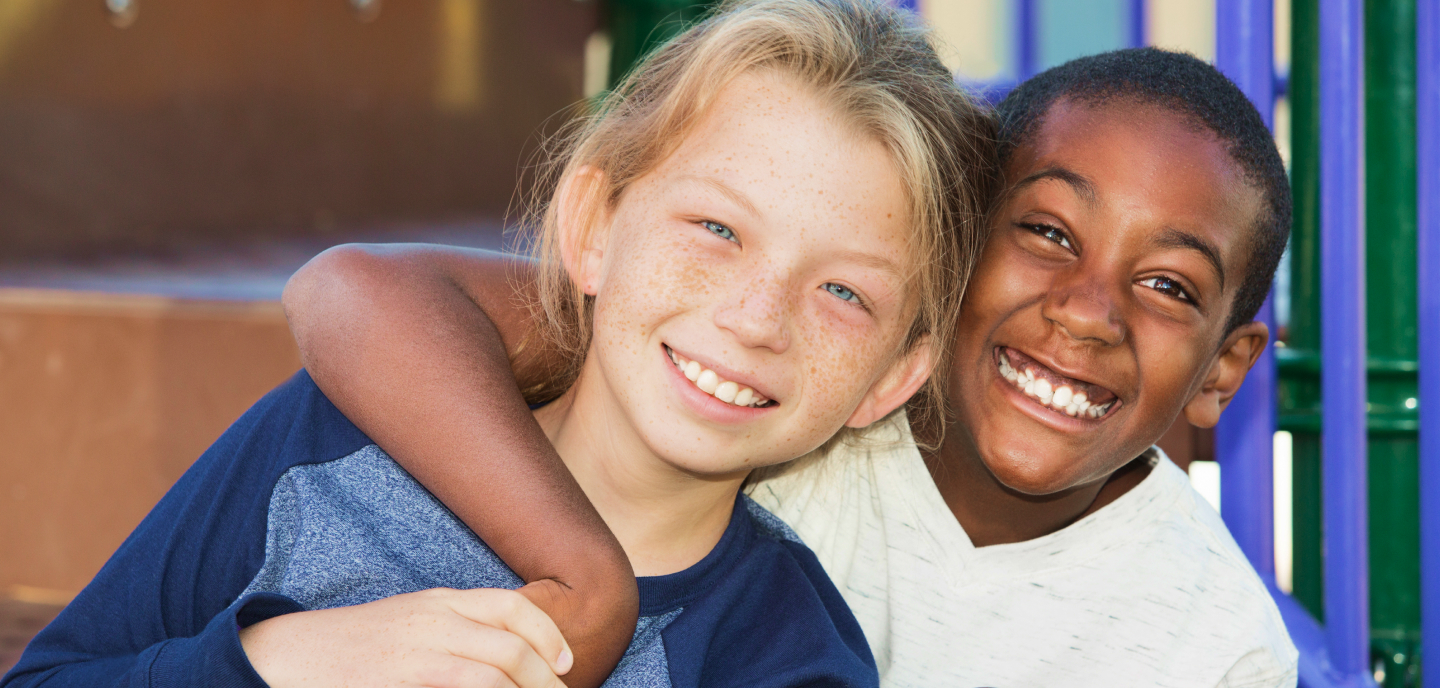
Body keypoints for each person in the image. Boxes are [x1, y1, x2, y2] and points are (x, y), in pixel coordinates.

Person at [0, 2, 998, 687]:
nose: (756, 315)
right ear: (592, 226)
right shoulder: (331, 450)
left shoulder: (786, 654)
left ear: (893, 378)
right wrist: (279, 660)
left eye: (842, 292)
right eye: (717, 230)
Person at [278, 47, 1301, 687]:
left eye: (1168, 286)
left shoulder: (1215, 651)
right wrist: (589, 580)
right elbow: (358, 295)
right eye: (1044, 230)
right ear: (946, 260)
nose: (1087, 312)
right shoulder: (788, 379)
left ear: (1226, 368)